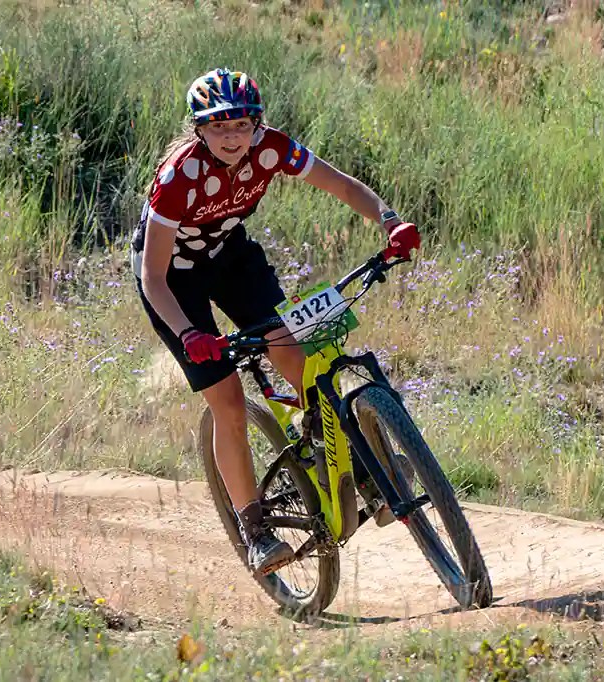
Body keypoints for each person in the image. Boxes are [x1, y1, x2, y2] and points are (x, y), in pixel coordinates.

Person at [131, 67, 420, 576]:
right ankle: (255, 528)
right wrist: (189, 333)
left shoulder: (272, 149)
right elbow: (153, 277)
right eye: (218, 126)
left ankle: (357, 470)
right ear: (199, 129)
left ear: (257, 124)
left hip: (229, 256)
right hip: (173, 281)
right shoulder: (179, 177)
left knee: (293, 355)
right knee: (229, 403)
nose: (231, 136)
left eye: (241, 124)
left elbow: (343, 187)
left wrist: (390, 220)